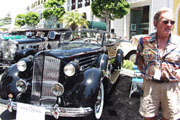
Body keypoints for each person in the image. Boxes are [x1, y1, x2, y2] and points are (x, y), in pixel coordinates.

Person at [135, 7, 180, 120]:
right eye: (165, 21)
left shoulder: (178, 42)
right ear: (155, 23)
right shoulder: (144, 41)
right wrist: (147, 73)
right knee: (149, 117)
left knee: (170, 118)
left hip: (172, 87)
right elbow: (139, 62)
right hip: (150, 85)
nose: (169, 25)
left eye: (172, 22)